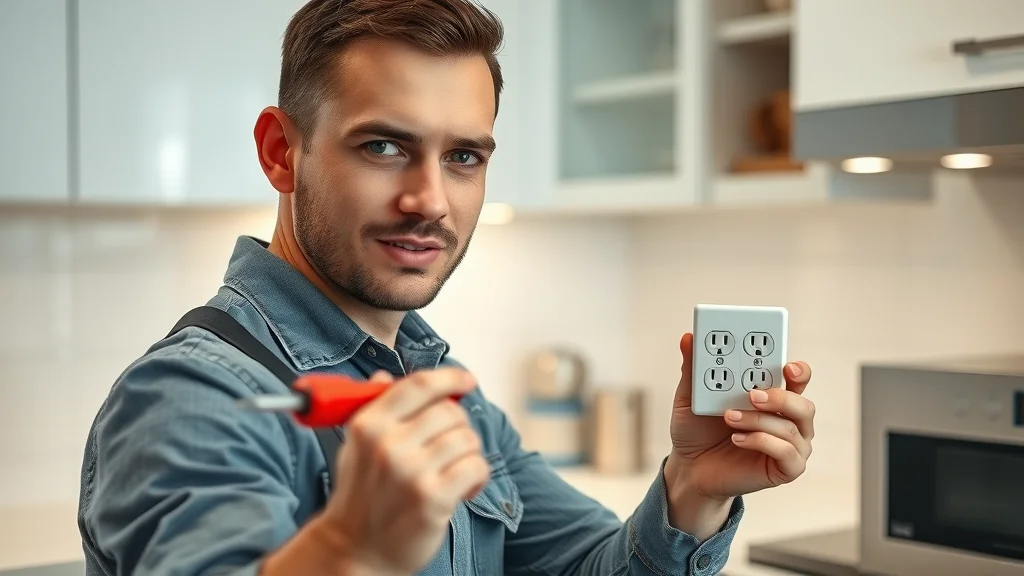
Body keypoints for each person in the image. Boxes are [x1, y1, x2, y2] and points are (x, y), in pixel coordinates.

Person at [77, 1, 817, 574]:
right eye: (384, 146)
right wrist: (347, 552)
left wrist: (695, 489)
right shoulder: (193, 400)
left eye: (463, 155)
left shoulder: (440, 389)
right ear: (281, 153)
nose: (430, 199)